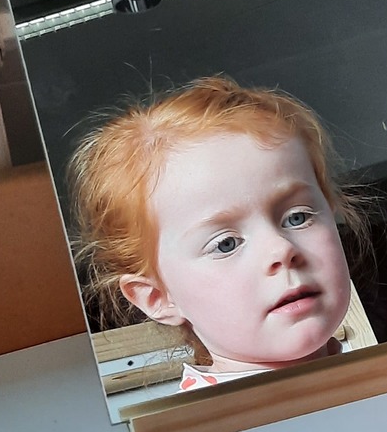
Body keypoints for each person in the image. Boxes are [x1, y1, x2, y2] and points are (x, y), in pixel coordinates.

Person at [69, 76, 363, 389]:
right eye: (226, 244)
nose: (281, 249)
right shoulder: (210, 420)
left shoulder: (380, 379)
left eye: (297, 217)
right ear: (158, 297)